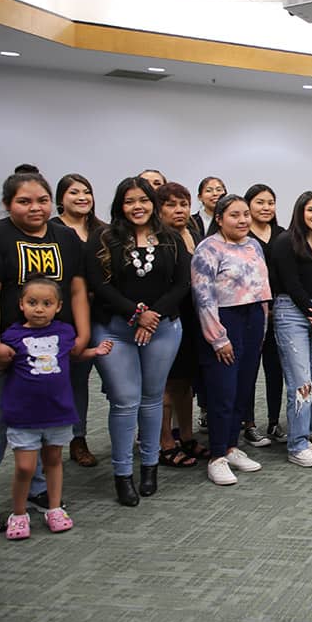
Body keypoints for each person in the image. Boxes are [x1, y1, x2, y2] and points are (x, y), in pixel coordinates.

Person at [0, 166, 90, 535]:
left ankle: (38, 492)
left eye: (42, 200)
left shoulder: (65, 237)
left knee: (46, 420)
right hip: (6, 348)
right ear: (7, 204)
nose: (35, 207)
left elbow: (77, 288)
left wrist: (82, 334)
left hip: (50, 349)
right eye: (24, 201)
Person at [0, 279, 112, 538]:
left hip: (57, 412)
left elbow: (73, 356)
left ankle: (54, 508)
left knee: (53, 461)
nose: (39, 309)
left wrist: (94, 351)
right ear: (21, 304)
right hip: (23, 414)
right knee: (24, 467)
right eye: (32, 303)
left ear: (58, 307)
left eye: (47, 304)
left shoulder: (65, 332)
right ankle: (19, 513)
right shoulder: (11, 336)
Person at [87, 177, 190, 505]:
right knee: (124, 400)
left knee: (152, 398)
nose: (138, 207)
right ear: (120, 205)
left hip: (162, 329)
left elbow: (181, 284)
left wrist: (152, 316)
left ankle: (149, 467)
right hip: (116, 330)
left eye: (143, 200)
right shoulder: (103, 239)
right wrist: (136, 315)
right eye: (130, 201)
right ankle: (122, 474)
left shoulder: (171, 239)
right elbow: (99, 285)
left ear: (153, 204)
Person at [191, 194, 272, 485]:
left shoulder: (254, 246)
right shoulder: (208, 248)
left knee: (243, 388)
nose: (243, 220)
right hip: (225, 322)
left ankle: (232, 446)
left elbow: (263, 288)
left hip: (253, 320)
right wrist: (217, 338)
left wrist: (261, 328)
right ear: (220, 218)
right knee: (222, 391)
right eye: (235, 215)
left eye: (246, 215)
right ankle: (216, 456)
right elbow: (203, 297)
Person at [269, 192, 312, 468]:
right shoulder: (286, 242)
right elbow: (291, 283)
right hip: (293, 311)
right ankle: (296, 445)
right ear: (300, 212)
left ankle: (307, 434)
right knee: (301, 382)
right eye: (311, 209)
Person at [52, 173, 105, 468]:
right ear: (61, 198)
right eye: (74, 192)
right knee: (68, 381)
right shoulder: (52, 231)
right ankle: (69, 439)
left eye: (87, 191)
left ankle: (81, 438)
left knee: (99, 382)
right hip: (65, 317)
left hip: (102, 315)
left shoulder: (103, 230)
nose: (82, 197)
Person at [155, 182, 206, 468]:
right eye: (171, 205)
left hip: (193, 316)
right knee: (165, 383)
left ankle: (186, 436)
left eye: (183, 204)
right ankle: (165, 442)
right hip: (168, 318)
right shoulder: (158, 239)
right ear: (159, 209)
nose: (179, 210)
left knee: (185, 383)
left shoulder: (194, 234)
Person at [242, 184, 286, 446]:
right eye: (260, 202)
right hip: (250, 312)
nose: (266, 207)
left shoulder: (282, 234)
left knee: (275, 369)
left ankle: (273, 421)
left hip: (278, 311)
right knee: (249, 369)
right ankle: (248, 423)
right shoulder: (242, 235)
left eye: (270, 202)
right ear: (248, 206)